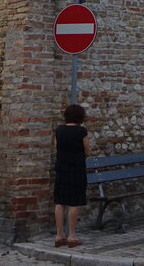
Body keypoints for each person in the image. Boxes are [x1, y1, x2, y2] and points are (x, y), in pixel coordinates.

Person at [53, 104, 90, 249]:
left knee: (60, 201)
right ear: (80, 116)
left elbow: (56, 147)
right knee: (73, 202)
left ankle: (59, 235)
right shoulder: (81, 131)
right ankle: (72, 236)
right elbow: (87, 151)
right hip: (76, 169)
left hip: (61, 168)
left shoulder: (59, 130)